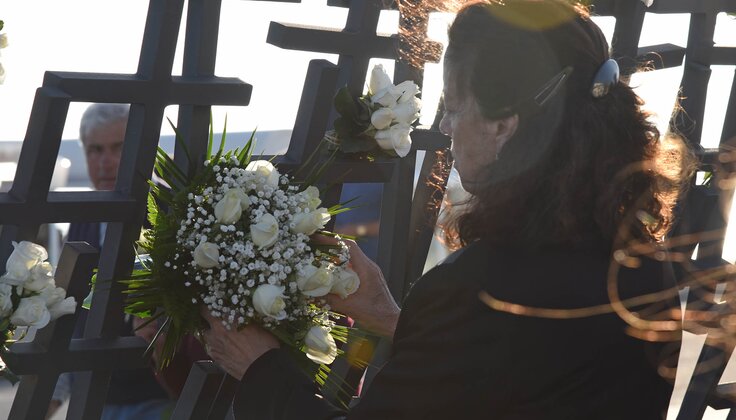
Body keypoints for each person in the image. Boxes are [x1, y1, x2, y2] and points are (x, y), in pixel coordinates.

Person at [202, 1, 694, 419]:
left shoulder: (479, 287)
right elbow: (523, 373)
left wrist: (261, 369)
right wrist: (391, 317)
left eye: (454, 107)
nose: (446, 128)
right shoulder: (645, 266)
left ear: (503, 125)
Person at [48, 103, 174, 420]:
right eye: (95, 150)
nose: (105, 162)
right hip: (95, 397)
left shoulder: (170, 213)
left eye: (119, 148)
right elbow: (70, 312)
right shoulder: (84, 218)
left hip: (161, 398)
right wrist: (52, 396)